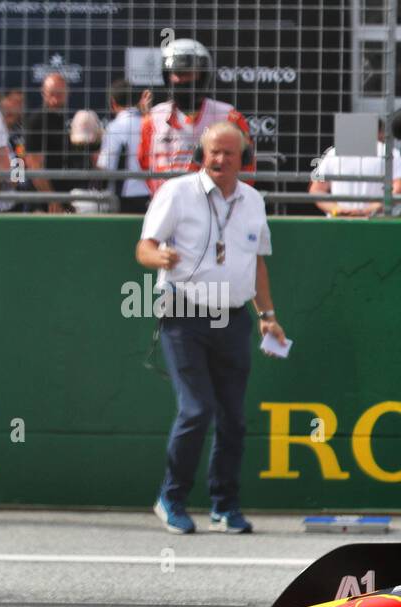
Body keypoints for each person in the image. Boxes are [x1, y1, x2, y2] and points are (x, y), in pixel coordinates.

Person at [134, 122, 287, 534]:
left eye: (229, 153)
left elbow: (257, 263)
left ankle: (225, 505)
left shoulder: (253, 200)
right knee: (196, 409)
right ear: (202, 155)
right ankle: (172, 497)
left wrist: (267, 315)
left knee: (233, 418)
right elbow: (143, 247)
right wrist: (158, 257)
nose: (220, 160)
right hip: (183, 315)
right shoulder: (177, 192)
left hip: (233, 318)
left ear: (244, 159)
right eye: (213, 152)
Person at [140, 38, 254, 194]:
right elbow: (144, 164)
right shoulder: (153, 119)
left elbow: (247, 166)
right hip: (168, 206)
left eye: (188, 73)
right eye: (177, 73)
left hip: (215, 207)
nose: (182, 80)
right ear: (167, 76)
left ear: (203, 74)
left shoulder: (229, 117)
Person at [308, 118, 401, 217]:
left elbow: (316, 190)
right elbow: (399, 189)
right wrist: (367, 211)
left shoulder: (333, 153)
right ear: (380, 132)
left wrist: (338, 210)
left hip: (339, 223)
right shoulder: (392, 154)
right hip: (376, 223)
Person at [97, 79, 152, 214]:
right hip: (152, 194)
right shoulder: (150, 124)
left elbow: (107, 166)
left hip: (124, 197)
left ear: (113, 103)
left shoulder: (114, 127)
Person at [22, 73, 74, 212]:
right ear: (43, 93)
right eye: (52, 94)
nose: (55, 99)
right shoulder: (37, 121)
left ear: (67, 93)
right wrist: (51, 198)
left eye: (60, 94)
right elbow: (34, 165)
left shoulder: (62, 120)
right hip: (41, 202)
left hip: (63, 198)